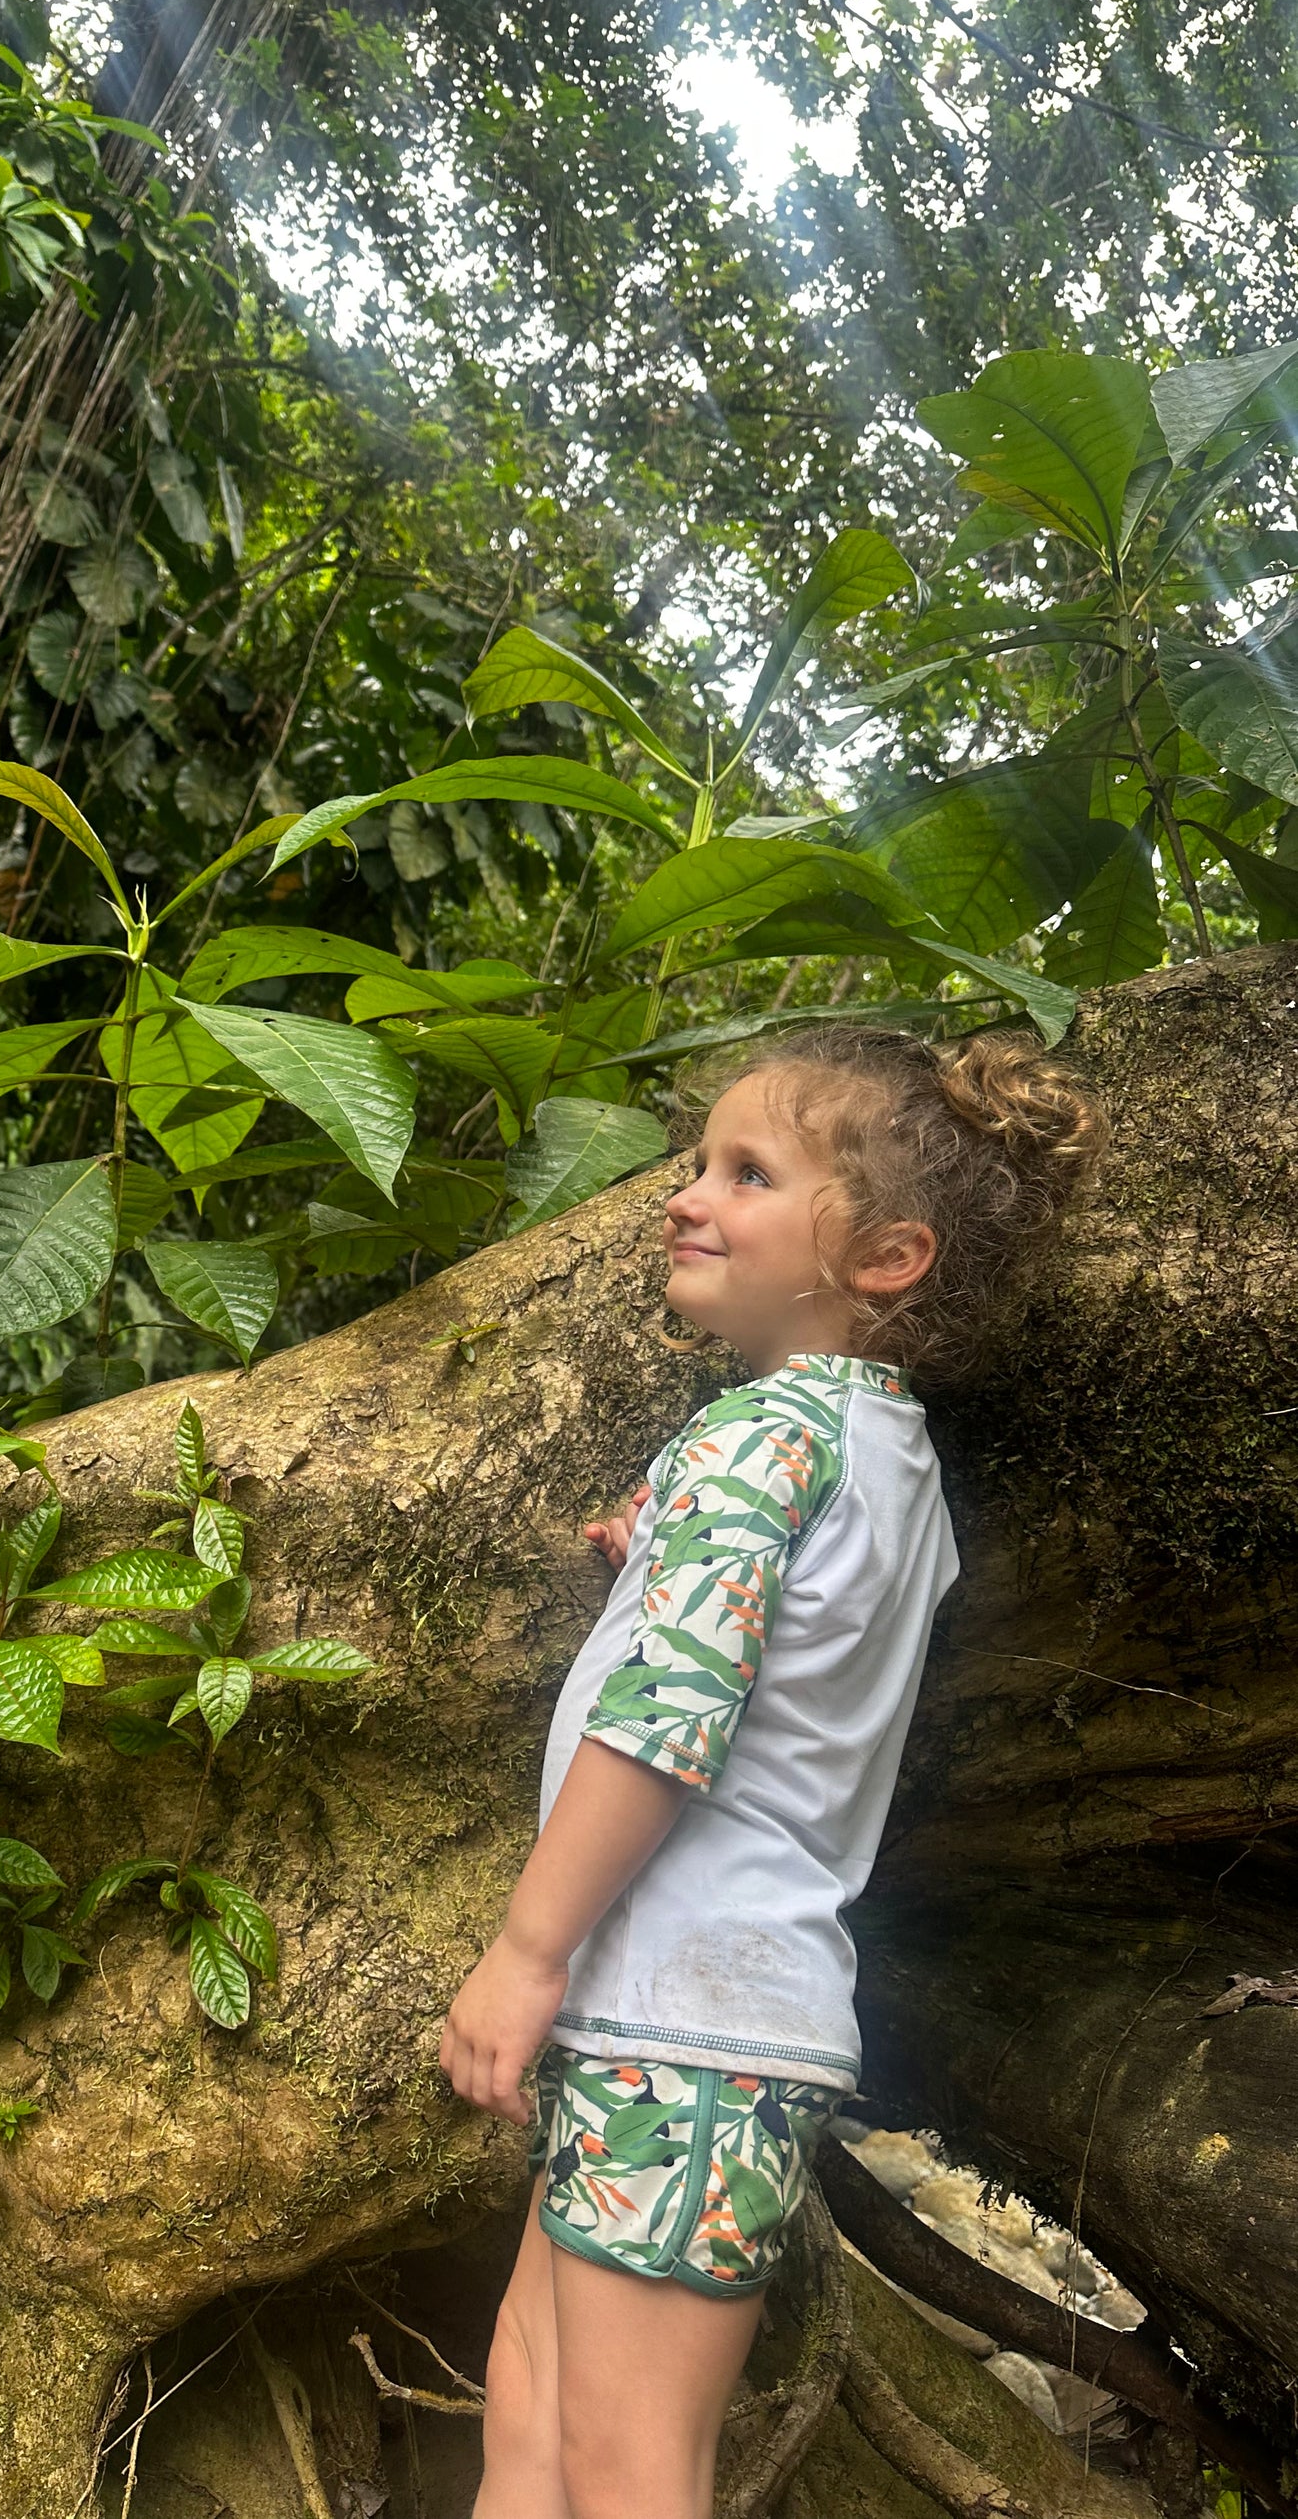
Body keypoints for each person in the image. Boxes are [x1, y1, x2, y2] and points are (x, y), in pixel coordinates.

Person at [440, 1023, 1104, 2519]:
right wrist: (652, 1552)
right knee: (533, 2411)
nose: (685, 1196)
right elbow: (802, 1637)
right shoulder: (877, 1460)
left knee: (621, 2467)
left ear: (880, 1258)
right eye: (698, 1163)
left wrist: (522, 1951)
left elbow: (668, 1713)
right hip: (683, 2025)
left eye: (746, 1174)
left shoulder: (756, 1450)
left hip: (672, 2015)